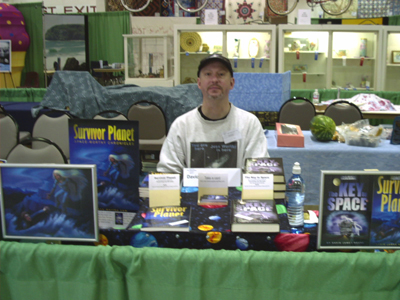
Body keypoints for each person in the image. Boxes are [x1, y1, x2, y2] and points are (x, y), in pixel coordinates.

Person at [157, 54, 269, 174]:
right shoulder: (181, 125)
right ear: (199, 83)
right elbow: (168, 173)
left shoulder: (249, 124)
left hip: (238, 192)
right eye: (208, 74)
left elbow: (259, 174)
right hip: (192, 192)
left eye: (221, 74)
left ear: (232, 83)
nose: (214, 80)